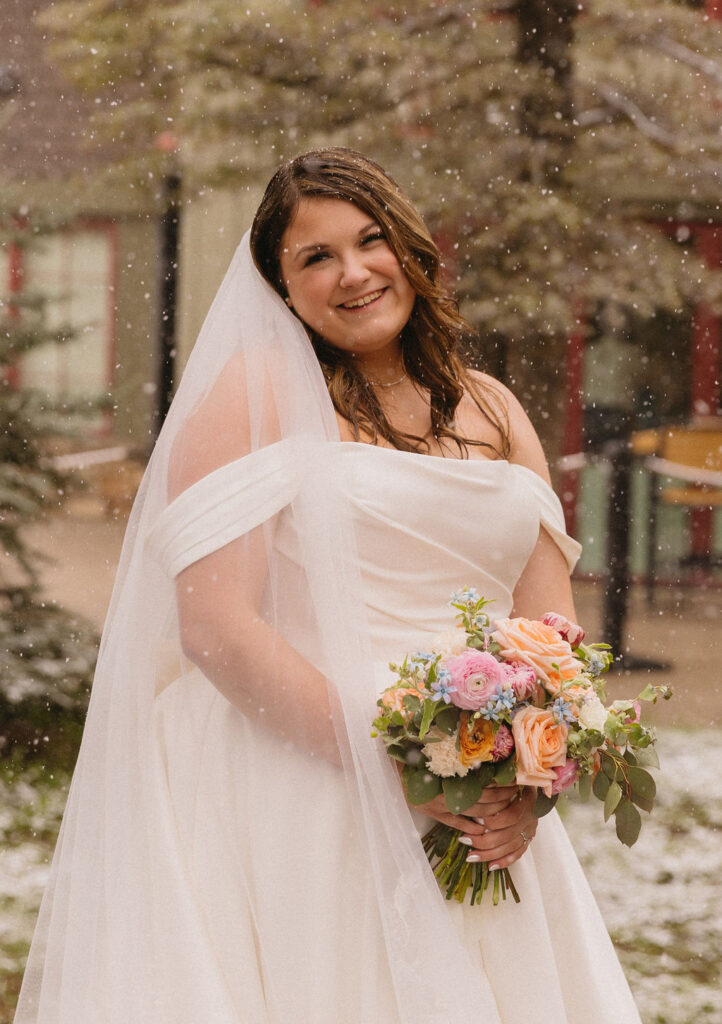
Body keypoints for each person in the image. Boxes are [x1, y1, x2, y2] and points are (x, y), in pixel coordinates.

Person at [15, 149, 641, 1024]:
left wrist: (522, 787)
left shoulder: (494, 407)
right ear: (279, 285)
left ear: (410, 250)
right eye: (315, 257)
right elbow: (218, 630)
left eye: (370, 241)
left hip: (473, 796)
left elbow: (549, 631)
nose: (353, 273)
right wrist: (393, 771)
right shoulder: (260, 392)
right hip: (297, 779)